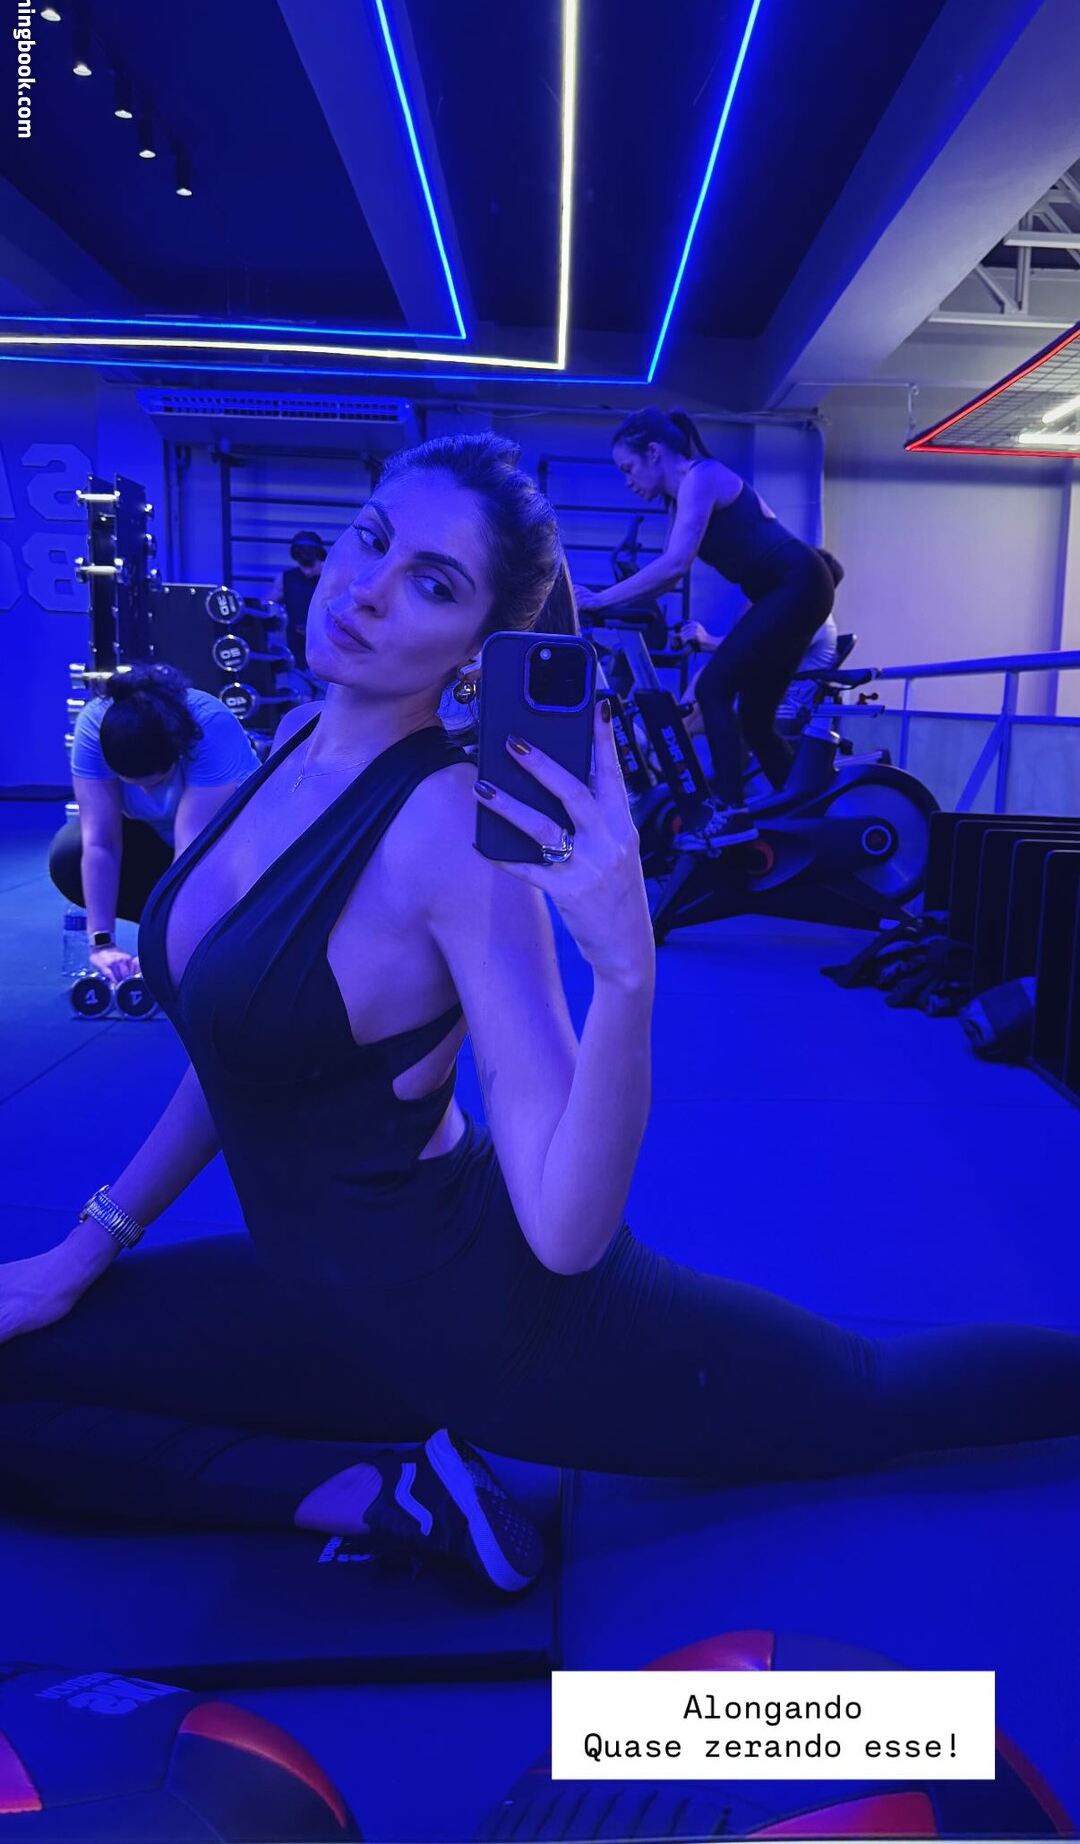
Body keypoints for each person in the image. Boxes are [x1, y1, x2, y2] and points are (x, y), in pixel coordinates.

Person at [4, 434, 1079, 1596]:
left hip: (483, 1321)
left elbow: (566, 1231)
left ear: (478, 649)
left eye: (433, 583)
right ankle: (372, 1491)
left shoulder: (447, 837)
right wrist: (85, 1245)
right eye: (373, 539)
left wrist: (625, 974)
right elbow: (236, 1057)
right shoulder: (297, 742)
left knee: (870, 1394)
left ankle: (371, 1482)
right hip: (311, 1297)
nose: (365, 590)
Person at [574, 408, 841, 850]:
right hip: (790, 590)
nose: (627, 481)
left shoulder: (703, 476)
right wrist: (607, 604)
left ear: (654, 453)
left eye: (628, 468)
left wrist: (600, 599)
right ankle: (806, 815)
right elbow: (665, 576)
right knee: (755, 718)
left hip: (798, 583)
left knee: (714, 687)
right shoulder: (678, 500)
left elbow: (675, 566)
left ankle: (730, 812)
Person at [48, 666, 260, 985]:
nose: (145, 792)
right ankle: (180, 936)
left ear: (177, 755)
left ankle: (202, 939)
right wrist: (102, 944)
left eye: (156, 782)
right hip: (161, 843)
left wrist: (162, 953)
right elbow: (101, 841)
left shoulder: (211, 726)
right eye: (131, 784)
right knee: (70, 852)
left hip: (231, 853)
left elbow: (190, 852)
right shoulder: (93, 726)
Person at [674, 613, 839, 741]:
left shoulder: (816, 619)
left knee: (706, 685)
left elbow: (762, 649)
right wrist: (703, 642)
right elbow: (752, 645)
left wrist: (709, 641)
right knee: (689, 722)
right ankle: (675, 744)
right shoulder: (801, 613)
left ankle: (674, 736)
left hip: (786, 709)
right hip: (771, 698)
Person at [272, 530, 328, 672]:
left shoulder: (331, 577)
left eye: (311, 565)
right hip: (297, 652)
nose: (307, 572)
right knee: (299, 684)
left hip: (327, 651)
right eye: (304, 565)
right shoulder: (286, 578)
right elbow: (268, 605)